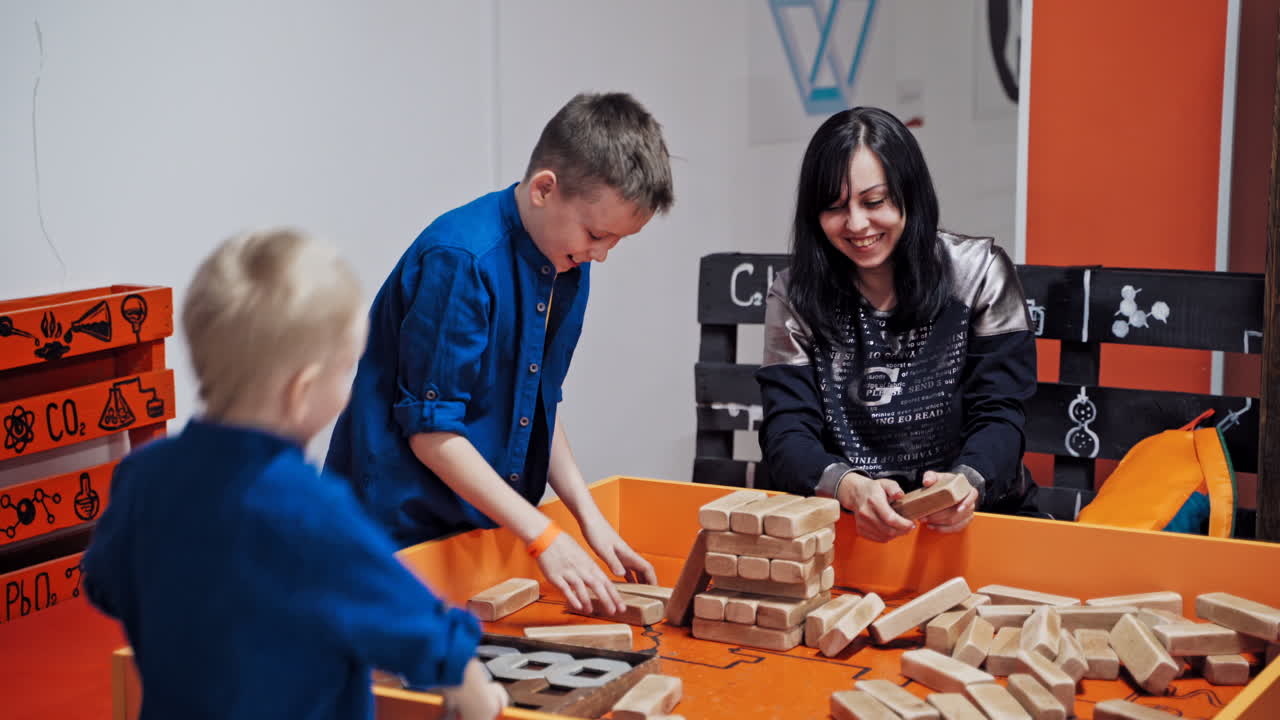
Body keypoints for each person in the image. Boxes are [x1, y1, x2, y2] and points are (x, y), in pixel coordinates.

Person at [83, 230, 506, 720]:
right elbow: (420, 629)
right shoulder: (311, 512)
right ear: (302, 389)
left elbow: (105, 585)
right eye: (347, 369)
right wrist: (471, 687)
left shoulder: (142, 477)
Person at [325, 92, 673, 614]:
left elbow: (537, 403)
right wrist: (542, 535)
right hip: (398, 538)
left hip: (480, 530)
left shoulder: (566, 262)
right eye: (597, 233)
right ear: (544, 189)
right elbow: (432, 433)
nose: (601, 253)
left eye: (616, 242)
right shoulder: (462, 261)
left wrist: (587, 515)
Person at [756, 106, 1039, 543]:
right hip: (846, 526)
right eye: (834, 207)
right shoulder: (794, 295)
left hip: (974, 521)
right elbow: (786, 432)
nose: (856, 224)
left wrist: (968, 482)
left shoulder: (980, 272)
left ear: (911, 194)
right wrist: (848, 487)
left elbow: (1001, 414)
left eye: (874, 202)